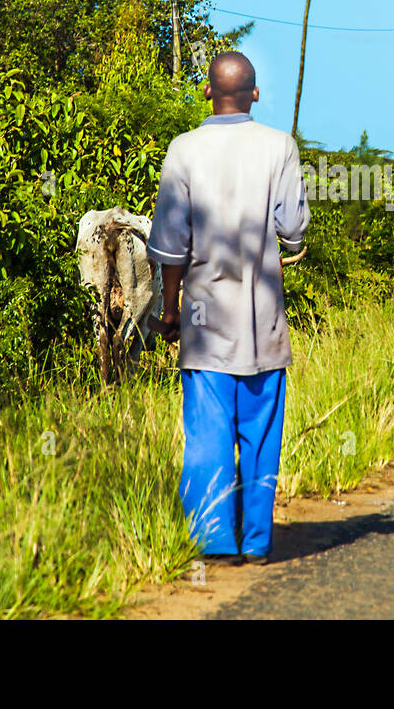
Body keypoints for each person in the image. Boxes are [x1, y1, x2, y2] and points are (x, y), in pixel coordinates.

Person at [148, 51, 310, 566]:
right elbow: (293, 228)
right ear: (255, 94)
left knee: (207, 436)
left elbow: (171, 246)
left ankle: (213, 541)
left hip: (203, 323)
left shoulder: (183, 149)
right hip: (262, 323)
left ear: (206, 92)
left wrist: (170, 311)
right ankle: (257, 543)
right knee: (260, 434)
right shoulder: (278, 146)